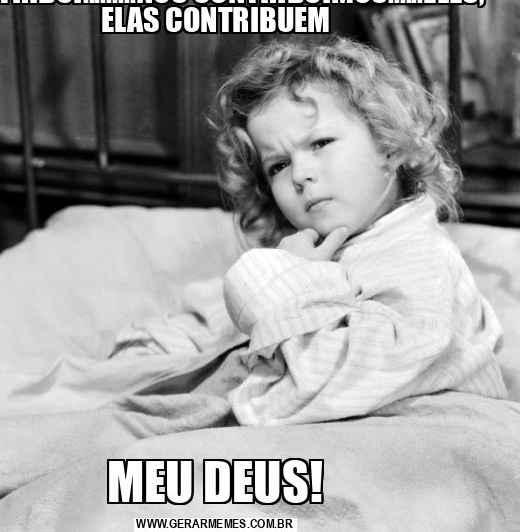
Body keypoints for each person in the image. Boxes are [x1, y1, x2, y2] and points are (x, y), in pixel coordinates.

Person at [213, 37, 507, 426]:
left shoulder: (419, 256)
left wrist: (282, 283)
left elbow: (308, 391)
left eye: (320, 143)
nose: (300, 174)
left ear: (389, 145)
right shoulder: (343, 246)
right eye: (278, 166)